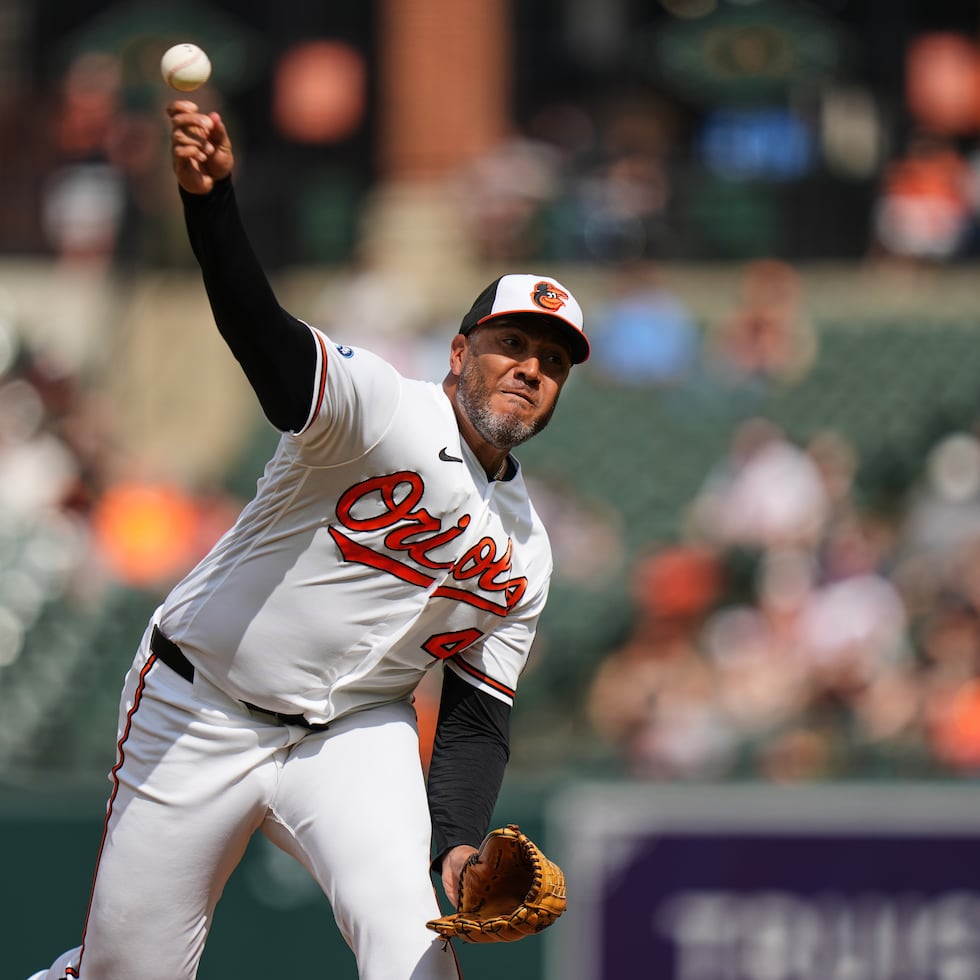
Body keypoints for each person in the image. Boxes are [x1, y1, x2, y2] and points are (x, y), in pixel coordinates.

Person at [28, 99, 589, 980]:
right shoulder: (382, 411)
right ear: (458, 351)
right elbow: (267, 341)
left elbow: (479, 720)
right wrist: (212, 206)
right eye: (512, 343)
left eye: (552, 362)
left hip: (353, 736)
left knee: (416, 953)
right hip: (203, 702)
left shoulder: (528, 552)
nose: (530, 367)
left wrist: (456, 848)